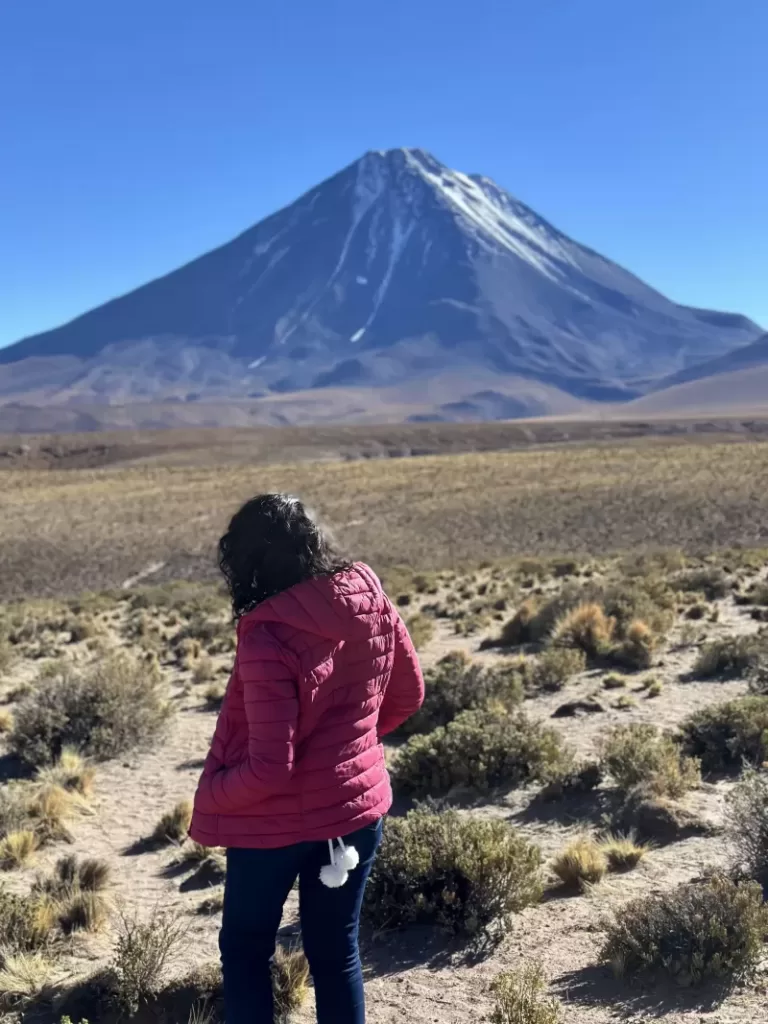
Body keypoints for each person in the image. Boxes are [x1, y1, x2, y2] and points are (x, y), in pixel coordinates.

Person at [189, 494, 425, 1024]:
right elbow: (408, 696)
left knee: (247, 950)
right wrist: (347, 753)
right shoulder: (370, 601)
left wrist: (213, 793)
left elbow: (272, 767)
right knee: (336, 950)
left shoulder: (268, 634)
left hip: (270, 828)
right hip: (353, 814)